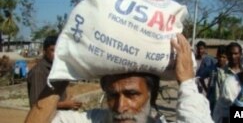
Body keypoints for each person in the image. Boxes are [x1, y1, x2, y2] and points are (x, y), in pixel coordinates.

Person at [25, 34, 214, 123]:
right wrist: (64, 71)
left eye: (132, 94)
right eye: (112, 95)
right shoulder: (95, 120)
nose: (119, 106)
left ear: (152, 94)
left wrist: (187, 83)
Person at [27, 35, 82, 109]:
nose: (56, 53)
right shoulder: (38, 72)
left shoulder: (57, 68)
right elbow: (36, 103)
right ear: (44, 51)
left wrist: (68, 100)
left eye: (58, 50)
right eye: (52, 50)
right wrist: (64, 105)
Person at [212, 43, 243, 123]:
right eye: (230, 54)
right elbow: (217, 97)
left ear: (240, 54)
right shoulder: (221, 73)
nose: (233, 56)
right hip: (225, 115)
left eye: (236, 54)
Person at [206, 45, 228, 113]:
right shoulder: (212, 68)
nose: (221, 59)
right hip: (211, 98)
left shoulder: (228, 71)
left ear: (227, 58)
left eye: (224, 57)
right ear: (217, 56)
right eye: (220, 56)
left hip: (222, 100)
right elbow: (204, 79)